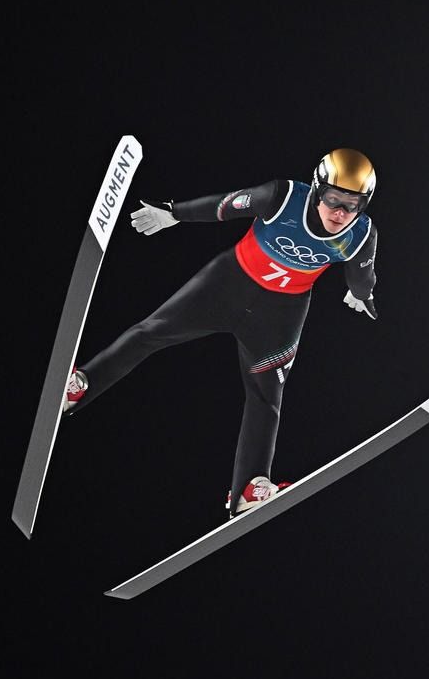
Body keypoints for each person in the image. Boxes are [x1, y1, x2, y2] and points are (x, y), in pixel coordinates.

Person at [63, 148, 380, 520]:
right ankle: (80, 385)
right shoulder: (282, 197)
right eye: (334, 199)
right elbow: (225, 205)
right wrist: (173, 213)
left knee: (266, 396)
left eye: (352, 205)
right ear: (317, 189)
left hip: (280, 314)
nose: (340, 213)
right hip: (227, 286)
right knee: (151, 332)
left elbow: (361, 273)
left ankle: (249, 487)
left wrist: (361, 294)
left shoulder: (360, 234)